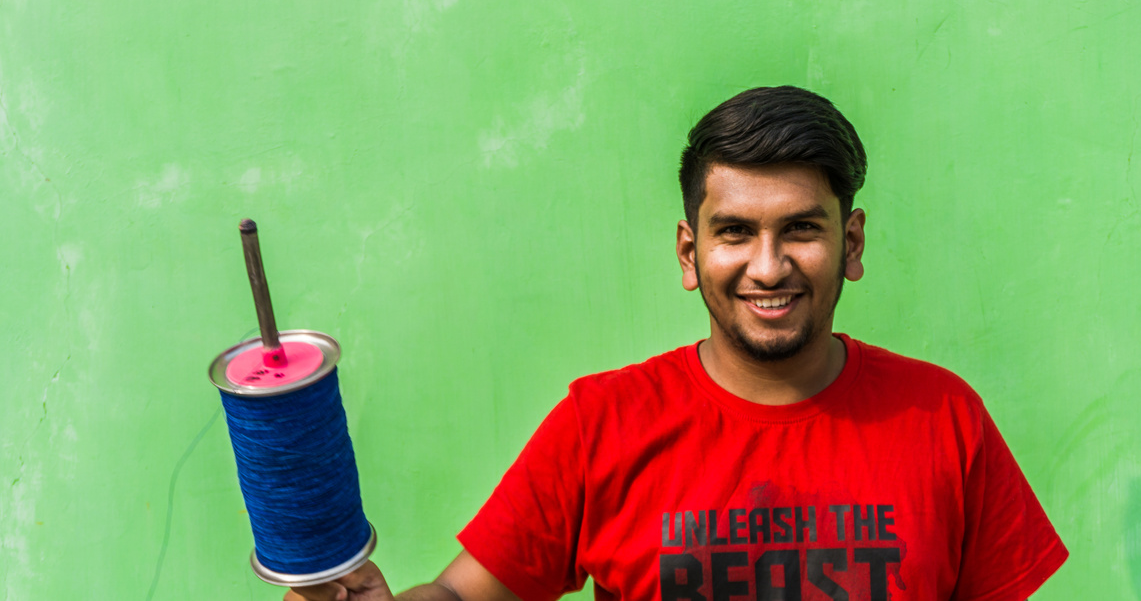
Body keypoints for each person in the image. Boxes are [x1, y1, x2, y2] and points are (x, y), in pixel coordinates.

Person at [286, 86, 1068, 601]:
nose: (769, 266)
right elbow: (463, 595)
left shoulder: (942, 417)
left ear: (852, 242)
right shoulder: (604, 422)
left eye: (801, 228)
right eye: (735, 232)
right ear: (691, 255)